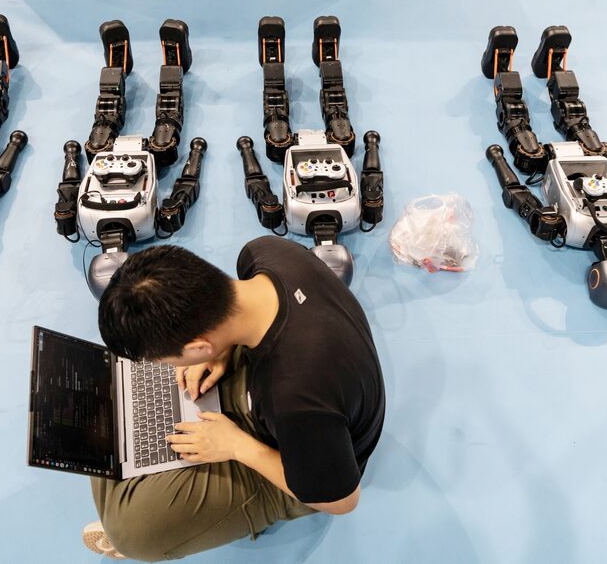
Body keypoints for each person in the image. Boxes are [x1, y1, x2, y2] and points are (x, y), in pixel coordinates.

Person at [84, 236, 386, 561]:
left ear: (199, 346)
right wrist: (222, 350)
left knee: (131, 534)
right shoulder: (266, 251)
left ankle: (129, 503)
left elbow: (342, 500)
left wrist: (237, 446)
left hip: (305, 453)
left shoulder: (296, 399)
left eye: (166, 360)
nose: (165, 366)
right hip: (280, 387)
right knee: (115, 391)